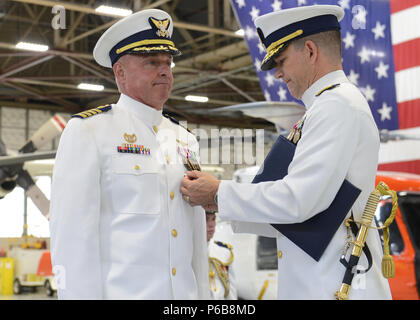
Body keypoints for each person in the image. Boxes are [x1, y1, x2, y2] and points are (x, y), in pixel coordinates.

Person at [180, 5, 392, 300]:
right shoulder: (326, 107)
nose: (278, 74)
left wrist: (219, 192)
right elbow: (298, 213)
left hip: (333, 284)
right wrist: (219, 204)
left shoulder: (335, 106)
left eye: (280, 61)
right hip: (324, 280)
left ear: (309, 50)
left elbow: (299, 201)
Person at [49, 9, 209, 300]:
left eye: (168, 62)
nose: (165, 71)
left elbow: (196, 236)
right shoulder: (89, 131)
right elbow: (72, 239)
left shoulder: (184, 139)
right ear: (119, 72)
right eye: (151, 62)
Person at [206, 211, 237, 300]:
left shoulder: (224, 251)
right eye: (206, 220)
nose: (211, 225)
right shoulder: (190, 252)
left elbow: (231, 291)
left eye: (213, 219)